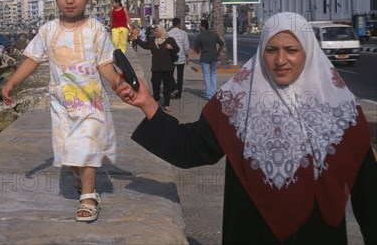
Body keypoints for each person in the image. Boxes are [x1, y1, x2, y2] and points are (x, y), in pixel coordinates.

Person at [116, 12, 377, 244]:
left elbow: (368, 195)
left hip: (318, 235)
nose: (280, 60)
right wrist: (147, 103)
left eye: (291, 50)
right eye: (271, 49)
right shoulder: (236, 104)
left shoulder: (341, 112)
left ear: (308, 53)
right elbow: (189, 148)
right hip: (252, 232)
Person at [2, 0, 124, 223]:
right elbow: (32, 59)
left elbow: (104, 63)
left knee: (86, 146)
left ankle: (89, 197)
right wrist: (11, 83)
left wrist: (116, 82)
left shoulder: (96, 30)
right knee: (71, 150)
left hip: (91, 102)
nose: (69, 0)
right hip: (61, 104)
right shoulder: (48, 30)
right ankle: (83, 180)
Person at [131, 24, 178, 113]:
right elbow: (144, 45)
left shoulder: (170, 40)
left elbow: (177, 49)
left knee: (167, 87)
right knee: (155, 84)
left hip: (168, 68)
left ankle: (166, 104)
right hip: (156, 67)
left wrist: (171, 47)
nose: (155, 33)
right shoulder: (152, 41)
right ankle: (156, 100)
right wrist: (136, 39)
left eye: (157, 31)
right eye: (155, 31)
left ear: (162, 31)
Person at [194, 19, 224, 99]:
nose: (199, 27)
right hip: (214, 57)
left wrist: (198, 50)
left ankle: (209, 94)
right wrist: (218, 52)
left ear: (202, 26)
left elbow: (196, 50)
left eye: (200, 25)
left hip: (205, 58)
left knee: (206, 76)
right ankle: (214, 93)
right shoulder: (214, 34)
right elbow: (221, 44)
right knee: (213, 74)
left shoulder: (199, 36)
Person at [166, 17, 190, 99]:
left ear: (172, 24)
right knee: (180, 77)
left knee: (169, 75)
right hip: (181, 58)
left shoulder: (168, 33)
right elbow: (186, 46)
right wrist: (187, 56)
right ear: (179, 24)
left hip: (170, 57)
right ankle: (178, 94)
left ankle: (172, 89)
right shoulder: (183, 33)